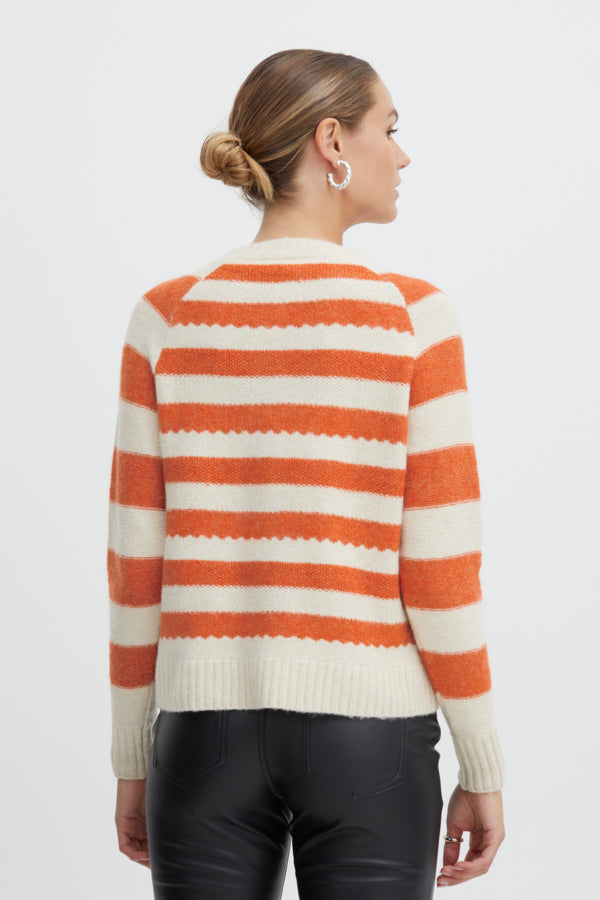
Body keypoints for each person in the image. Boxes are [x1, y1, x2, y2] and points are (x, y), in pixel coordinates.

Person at [107, 48, 506, 899]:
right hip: (371, 735)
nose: (402, 154)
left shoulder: (167, 316)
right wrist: (481, 761)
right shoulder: (414, 317)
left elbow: (136, 566)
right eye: (388, 129)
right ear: (332, 142)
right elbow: (441, 570)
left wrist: (131, 757)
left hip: (200, 740)